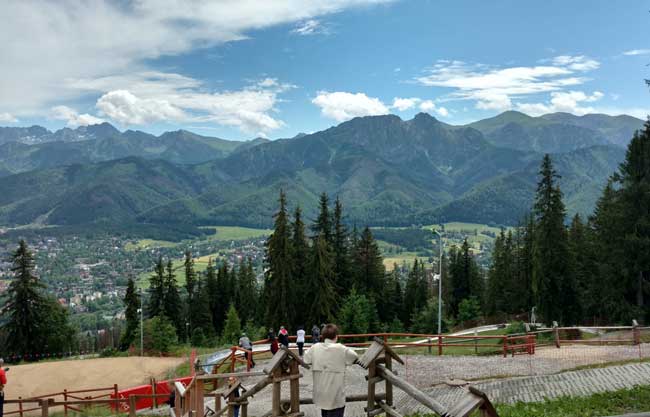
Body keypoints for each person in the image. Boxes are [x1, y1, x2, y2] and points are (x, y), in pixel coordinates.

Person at [304, 324, 358, 417]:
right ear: (336, 336)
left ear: (322, 336)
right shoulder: (341, 348)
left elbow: (306, 358)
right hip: (336, 396)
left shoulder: (315, 348)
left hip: (321, 394)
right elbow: (354, 356)